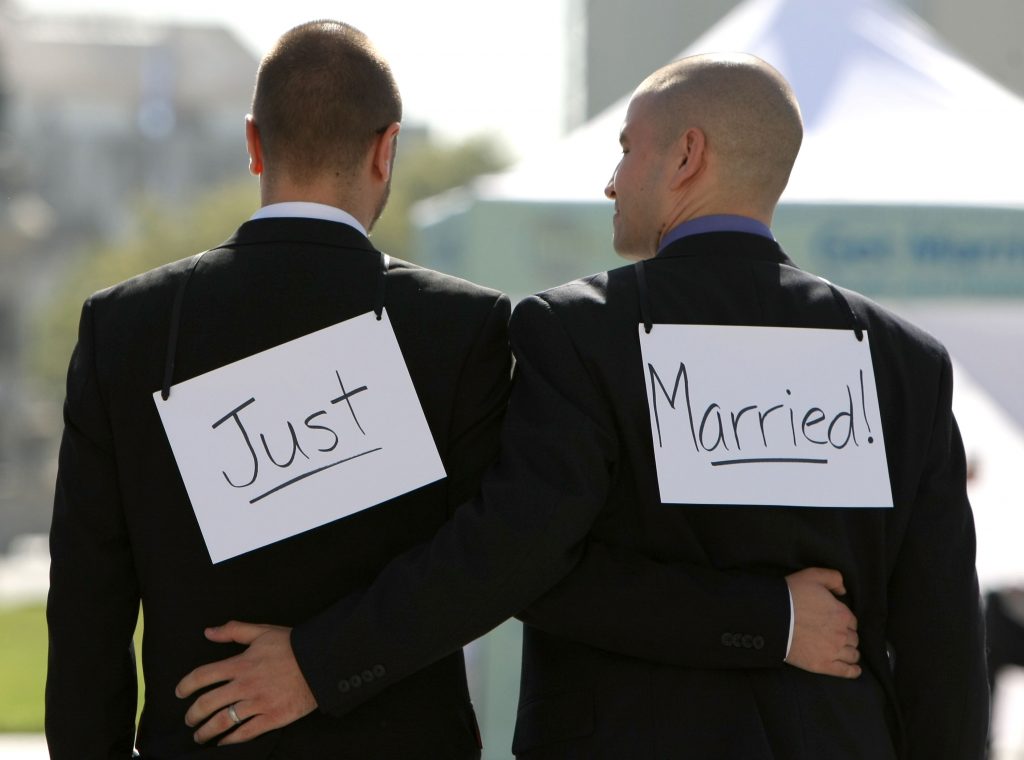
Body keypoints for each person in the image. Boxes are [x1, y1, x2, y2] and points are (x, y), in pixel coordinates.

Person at [174, 52, 990, 758]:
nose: (609, 179)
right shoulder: (906, 363)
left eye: (628, 149)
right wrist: (770, 619)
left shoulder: (575, 332)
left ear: (686, 158)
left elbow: (523, 566)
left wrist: (321, 661)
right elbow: (945, 643)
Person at [46, 20, 514, 758]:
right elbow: (487, 564)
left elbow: (86, 607)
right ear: (388, 148)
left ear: (253, 142)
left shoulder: (124, 328)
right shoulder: (463, 328)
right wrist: (328, 662)